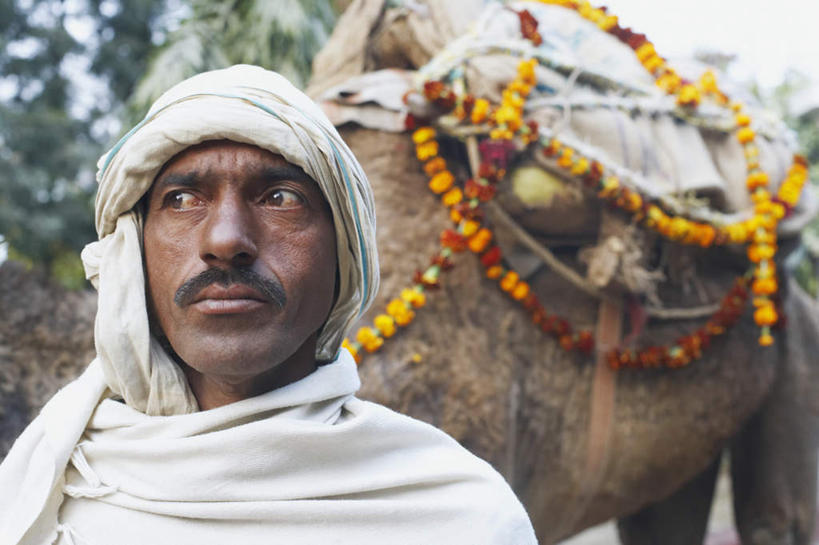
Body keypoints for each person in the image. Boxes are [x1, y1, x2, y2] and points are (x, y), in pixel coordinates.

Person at [0, 65, 536, 545]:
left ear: (345, 259)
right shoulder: (54, 486)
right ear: (133, 256)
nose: (226, 240)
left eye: (280, 196)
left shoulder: (462, 518)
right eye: (182, 200)